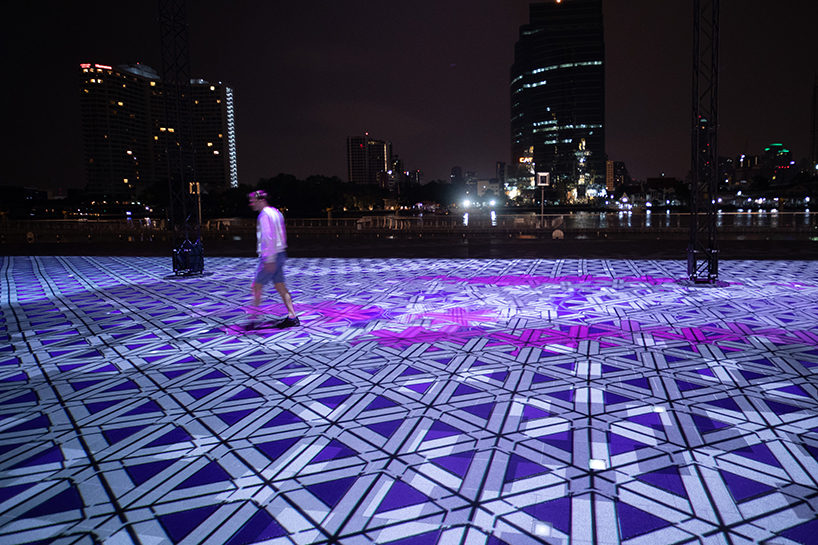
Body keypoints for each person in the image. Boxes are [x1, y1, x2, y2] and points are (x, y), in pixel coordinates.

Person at [247, 190, 299, 329]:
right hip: (280, 253)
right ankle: (292, 316)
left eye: (253, 201)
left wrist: (269, 259)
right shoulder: (276, 212)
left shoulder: (264, 215)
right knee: (280, 286)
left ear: (261, 200)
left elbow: (268, 237)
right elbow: (281, 234)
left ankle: (253, 319)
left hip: (270, 256)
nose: (251, 204)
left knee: (256, 286)